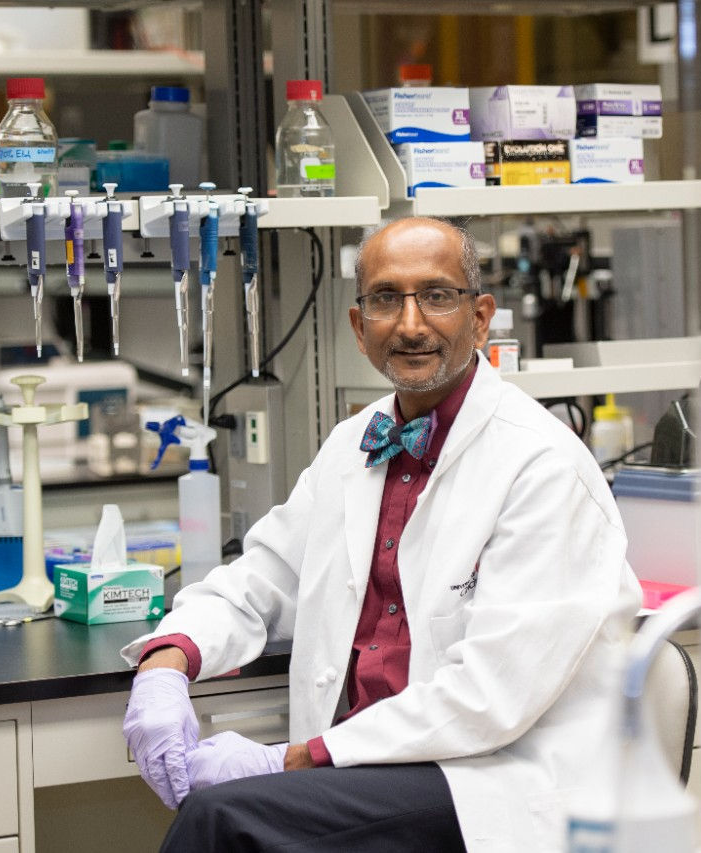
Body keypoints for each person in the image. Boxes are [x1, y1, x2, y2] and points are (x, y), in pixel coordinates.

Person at [121, 216, 642, 852]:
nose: (412, 323)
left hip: (487, 778)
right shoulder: (355, 443)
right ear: (360, 328)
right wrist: (166, 663)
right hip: (372, 764)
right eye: (387, 299)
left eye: (438, 296)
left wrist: (290, 760)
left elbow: (489, 699)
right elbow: (261, 580)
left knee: (221, 820)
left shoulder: (543, 466)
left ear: (480, 318)